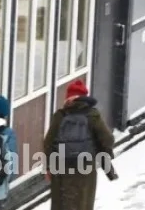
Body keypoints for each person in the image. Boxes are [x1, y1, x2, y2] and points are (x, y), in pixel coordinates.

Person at [44, 80, 117, 210]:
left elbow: (48, 143)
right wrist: (102, 153)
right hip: (86, 170)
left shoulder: (60, 116)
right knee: (83, 204)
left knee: (62, 204)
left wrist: (49, 167)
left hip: (62, 169)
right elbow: (108, 139)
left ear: (68, 98)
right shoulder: (92, 115)